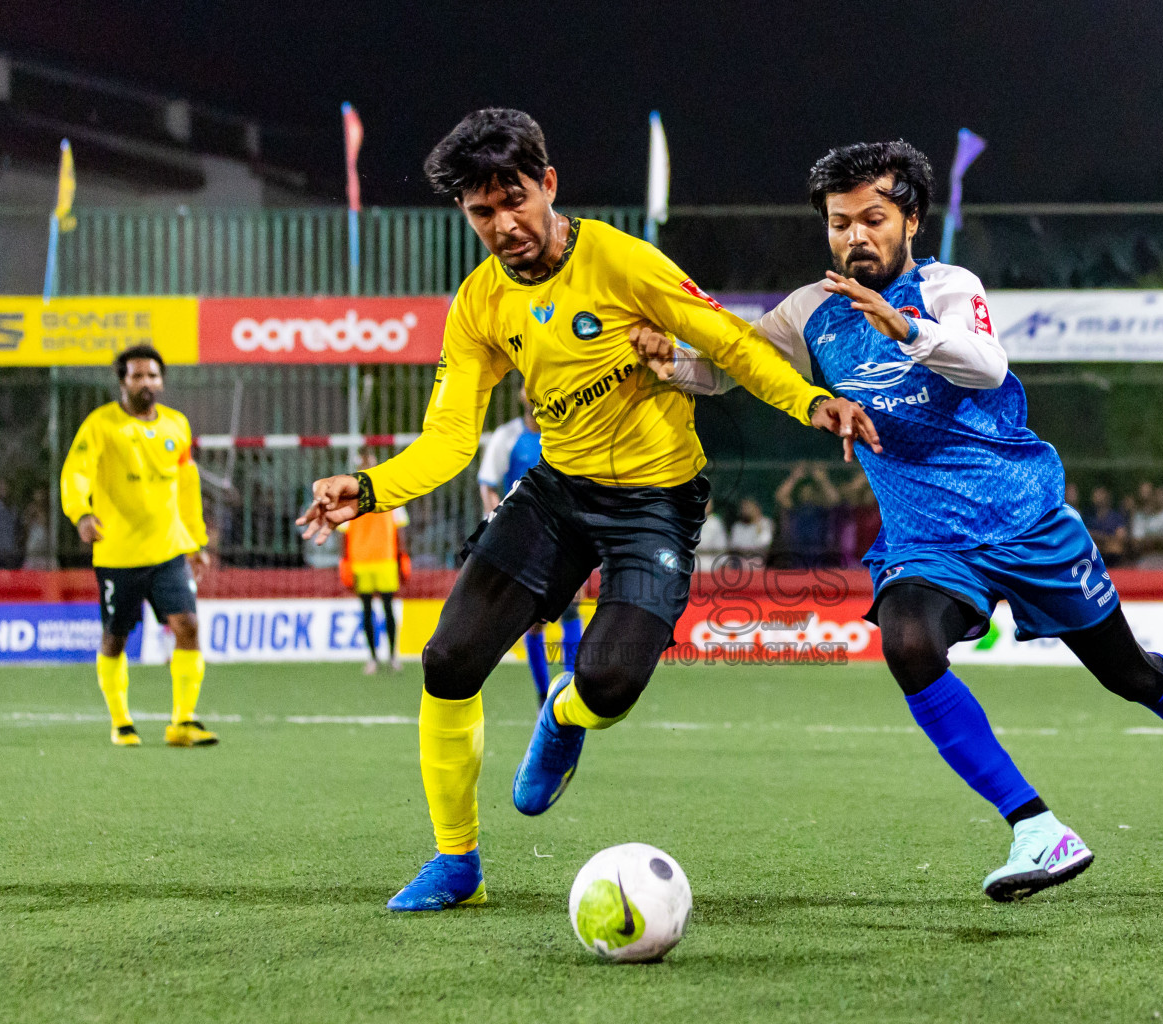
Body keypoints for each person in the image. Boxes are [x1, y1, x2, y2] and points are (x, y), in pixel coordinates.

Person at [296, 109, 877, 912]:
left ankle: (562, 715)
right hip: (556, 496)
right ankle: (456, 862)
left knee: (607, 685)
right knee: (447, 660)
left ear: (549, 185)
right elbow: (450, 439)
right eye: (481, 212)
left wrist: (814, 403)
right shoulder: (479, 305)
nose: (503, 225)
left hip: (657, 501)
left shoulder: (621, 261)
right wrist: (366, 490)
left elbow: (735, 344)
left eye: (514, 200)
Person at [637, 140, 1163, 902]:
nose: (856, 236)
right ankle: (1035, 828)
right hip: (927, 539)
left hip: (1024, 519)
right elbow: (731, 367)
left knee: (1126, 674)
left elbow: (986, 364)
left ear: (911, 220)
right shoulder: (809, 311)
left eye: (874, 219)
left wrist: (903, 328)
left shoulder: (948, 285)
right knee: (909, 641)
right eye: (839, 222)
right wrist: (671, 362)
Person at [61, 344, 214, 748]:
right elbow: (75, 473)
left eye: (152, 375)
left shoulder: (177, 426)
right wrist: (81, 513)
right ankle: (121, 722)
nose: (146, 382)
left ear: (161, 381)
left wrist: (196, 540)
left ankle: (183, 721)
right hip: (118, 554)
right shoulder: (100, 425)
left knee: (188, 627)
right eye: (137, 376)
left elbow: (187, 487)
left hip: (168, 551)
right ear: (123, 381)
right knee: (115, 637)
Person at [476, 387, 581, 703]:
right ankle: (542, 696)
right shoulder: (507, 437)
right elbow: (487, 484)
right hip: (524, 538)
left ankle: (571, 689)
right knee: (534, 621)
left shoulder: (567, 435)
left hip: (565, 535)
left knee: (571, 606)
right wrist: (499, 521)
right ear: (522, 396)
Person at [339, 451, 409, 675]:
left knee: (388, 608)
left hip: (385, 558)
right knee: (367, 609)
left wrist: (402, 556)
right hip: (361, 560)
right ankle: (372, 658)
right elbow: (345, 531)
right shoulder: (350, 497)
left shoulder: (388, 492)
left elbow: (400, 528)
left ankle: (392, 656)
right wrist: (345, 561)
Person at [775, 461, 842, 567]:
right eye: (804, 491)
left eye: (810, 491)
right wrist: (794, 477)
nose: (807, 494)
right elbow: (780, 496)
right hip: (797, 552)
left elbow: (834, 499)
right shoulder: (795, 509)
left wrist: (822, 480)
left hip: (819, 552)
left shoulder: (821, 509)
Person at [1130, 485, 1163, 570]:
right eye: (1157, 495)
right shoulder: (1141, 516)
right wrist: (1162, 541)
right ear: (1152, 497)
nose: (1160, 498)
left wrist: (1150, 541)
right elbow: (1136, 543)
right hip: (1146, 560)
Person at [1083, 486, 1128, 564]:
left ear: (1107, 497)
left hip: (1112, 557)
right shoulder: (1088, 517)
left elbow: (1120, 539)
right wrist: (1107, 539)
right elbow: (1084, 536)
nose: (1097, 497)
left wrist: (1098, 538)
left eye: (1100, 494)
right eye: (1096, 494)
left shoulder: (1116, 517)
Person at [727, 498, 775, 568]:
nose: (746, 510)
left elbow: (765, 543)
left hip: (760, 561)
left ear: (757, 508)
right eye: (744, 508)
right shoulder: (738, 526)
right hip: (740, 561)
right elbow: (735, 544)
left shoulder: (765, 523)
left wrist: (758, 527)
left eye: (749, 507)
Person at [694, 498, 729, 573]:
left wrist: (723, 564)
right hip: (691, 565)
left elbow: (721, 545)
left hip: (709, 566)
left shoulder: (715, 522)